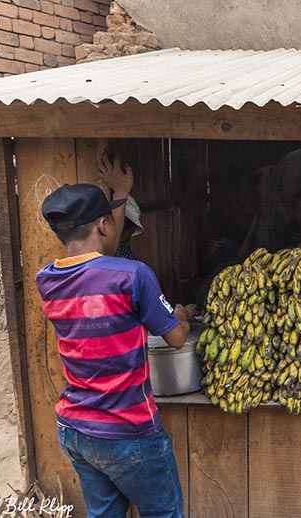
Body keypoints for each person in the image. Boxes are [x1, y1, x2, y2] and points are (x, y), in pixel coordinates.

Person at [35, 152, 193, 518]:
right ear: (104, 225)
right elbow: (175, 340)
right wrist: (180, 316)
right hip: (128, 430)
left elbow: (99, 257)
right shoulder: (133, 276)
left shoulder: (47, 280)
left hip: (75, 428)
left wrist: (120, 195)